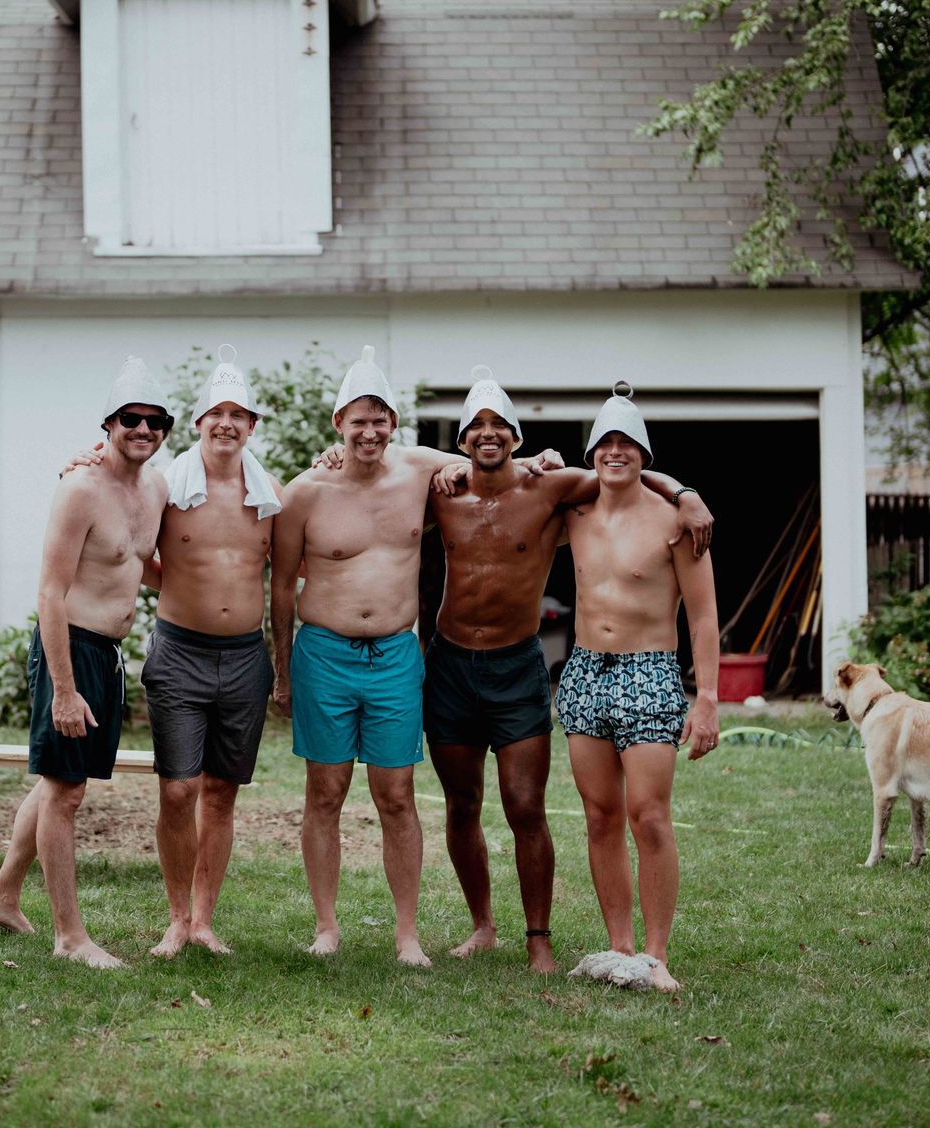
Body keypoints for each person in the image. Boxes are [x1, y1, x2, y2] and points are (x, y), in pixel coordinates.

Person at [420, 367, 711, 973]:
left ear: (520, 438)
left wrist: (684, 491)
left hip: (583, 667)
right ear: (462, 441)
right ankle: (506, 929)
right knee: (495, 807)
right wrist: (333, 459)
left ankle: (580, 945)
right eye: (476, 426)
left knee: (582, 810)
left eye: (500, 424)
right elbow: (385, 467)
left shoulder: (577, 498)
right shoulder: (457, 495)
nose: (488, 434)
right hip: (497, 667)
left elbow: (624, 474)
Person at [0, 356, 172, 969]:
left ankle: (3, 896)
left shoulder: (157, 488)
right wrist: (62, 688)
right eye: (130, 420)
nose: (143, 430)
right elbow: (49, 594)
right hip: (71, 649)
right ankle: (70, 937)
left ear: (166, 429)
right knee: (67, 793)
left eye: (154, 421)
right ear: (109, 424)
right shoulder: (80, 488)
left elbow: (141, 566)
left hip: (108, 656)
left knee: (57, 783)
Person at [271, 347, 439, 966]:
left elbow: (493, 461)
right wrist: (283, 674)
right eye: (357, 420)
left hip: (395, 654)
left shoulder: (420, 469)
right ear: (338, 423)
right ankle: (326, 926)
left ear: (394, 423)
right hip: (325, 654)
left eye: (381, 419)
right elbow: (281, 586)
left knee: (397, 793)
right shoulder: (305, 493)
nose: (369, 432)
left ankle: (407, 934)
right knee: (326, 791)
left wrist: (545, 458)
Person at [557, 386, 720, 993]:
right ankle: (619, 946)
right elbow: (520, 485)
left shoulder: (677, 523)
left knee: (647, 816)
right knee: (599, 816)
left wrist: (706, 700)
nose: (615, 452)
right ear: (592, 451)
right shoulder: (573, 513)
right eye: (605, 442)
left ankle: (656, 955)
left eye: (628, 443)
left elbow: (703, 617)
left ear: (645, 454)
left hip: (649, 672)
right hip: (584, 672)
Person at [141, 346, 283, 957]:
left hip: (246, 657)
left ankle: (203, 919)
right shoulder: (166, 485)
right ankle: (176, 917)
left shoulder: (270, 493)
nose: (226, 423)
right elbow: (129, 549)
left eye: (238, 414)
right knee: (178, 790)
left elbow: (285, 571)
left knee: (221, 791)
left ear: (251, 426)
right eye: (214, 413)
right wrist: (177, 584)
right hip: (180, 652)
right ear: (198, 421)